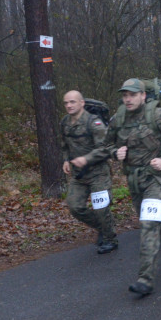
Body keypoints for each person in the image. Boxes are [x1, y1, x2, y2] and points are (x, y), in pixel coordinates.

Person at [92, 78, 161, 297]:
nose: (128, 99)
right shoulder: (118, 119)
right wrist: (115, 153)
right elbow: (106, 145)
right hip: (135, 181)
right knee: (157, 222)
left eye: (132, 95)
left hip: (157, 179)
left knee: (148, 225)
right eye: (125, 95)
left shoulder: (157, 116)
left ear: (143, 96)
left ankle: (145, 279)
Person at [60, 90, 116, 254]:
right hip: (79, 175)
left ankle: (110, 239)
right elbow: (65, 144)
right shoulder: (65, 122)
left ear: (82, 103)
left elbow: (106, 148)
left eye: (72, 102)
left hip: (98, 173)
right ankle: (103, 227)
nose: (69, 105)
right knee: (74, 206)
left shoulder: (94, 123)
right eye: (66, 103)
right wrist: (65, 160)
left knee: (101, 208)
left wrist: (87, 158)